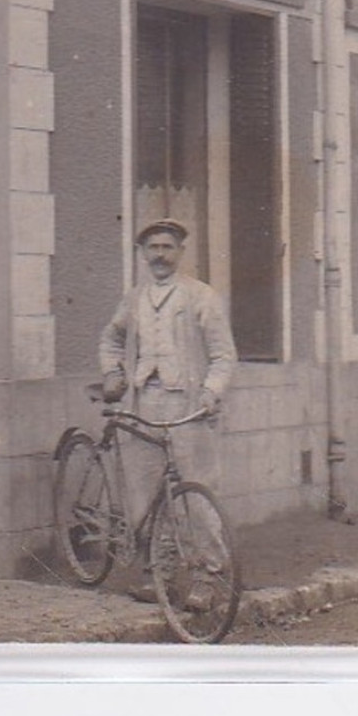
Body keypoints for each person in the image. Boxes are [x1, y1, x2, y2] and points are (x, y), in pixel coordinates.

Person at [97, 218, 236, 603]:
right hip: (142, 404)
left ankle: (207, 576)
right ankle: (156, 571)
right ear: (142, 254)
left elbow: (224, 356)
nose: (160, 255)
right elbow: (111, 338)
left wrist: (211, 392)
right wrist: (112, 373)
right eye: (152, 248)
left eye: (167, 247)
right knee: (143, 493)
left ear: (180, 252)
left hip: (188, 406)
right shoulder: (134, 298)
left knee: (196, 494)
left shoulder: (201, 297)